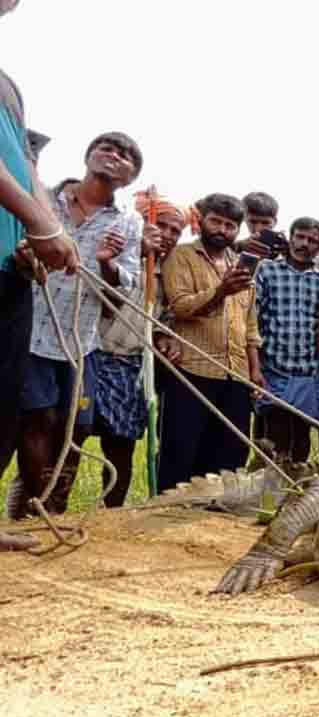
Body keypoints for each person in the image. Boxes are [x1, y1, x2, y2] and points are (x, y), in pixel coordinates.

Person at [16, 132, 144, 516]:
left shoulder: (128, 222)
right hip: (30, 329)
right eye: (106, 147)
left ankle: (52, 503)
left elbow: (120, 293)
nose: (114, 155)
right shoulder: (42, 198)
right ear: (88, 156)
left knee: (78, 427)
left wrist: (106, 262)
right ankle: (39, 509)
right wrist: (25, 256)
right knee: (36, 418)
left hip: (81, 340)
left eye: (125, 155)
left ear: (132, 175)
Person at [0, 0, 80, 548]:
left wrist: (46, 229)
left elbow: (25, 167)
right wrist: (41, 224)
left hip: (10, 263)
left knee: (3, 404)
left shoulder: (9, 85)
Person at [85, 192, 187, 507]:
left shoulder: (165, 274)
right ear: (142, 223)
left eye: (175, 231)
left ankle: (112, 515)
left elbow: (159, 321)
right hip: (89, 355)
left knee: (121, 445)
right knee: (68, 436)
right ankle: (43, 509)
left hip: (130, 363)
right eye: (161, 226)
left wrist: (162, 339)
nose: (167, 236)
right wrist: (134, 253)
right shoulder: (110, 252)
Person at [159, 193, 261, 491]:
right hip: (192, 370)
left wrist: (255, 371)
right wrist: (220, 291)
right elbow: (179, 306)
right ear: (201, 221)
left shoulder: (242, 265)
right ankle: (169, 518)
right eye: (215, 221)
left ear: (237, 230)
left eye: (230, 225)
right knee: (182, 454)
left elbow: (250, 323)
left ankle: (216, 524)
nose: (221, 230)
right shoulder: (181, 256)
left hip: (237, 373)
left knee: (230, 456)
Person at [251, 217, 319, 462]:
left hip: (309, 370)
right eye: (300, 237)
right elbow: (252, 316)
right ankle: (271, 491)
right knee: (274, 435)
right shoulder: (267, 270)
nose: (304, 244)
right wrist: (255, 365)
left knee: (301, 436)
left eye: (312, 240)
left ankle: (297, 489)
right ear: (291, 237)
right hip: (274, 367)